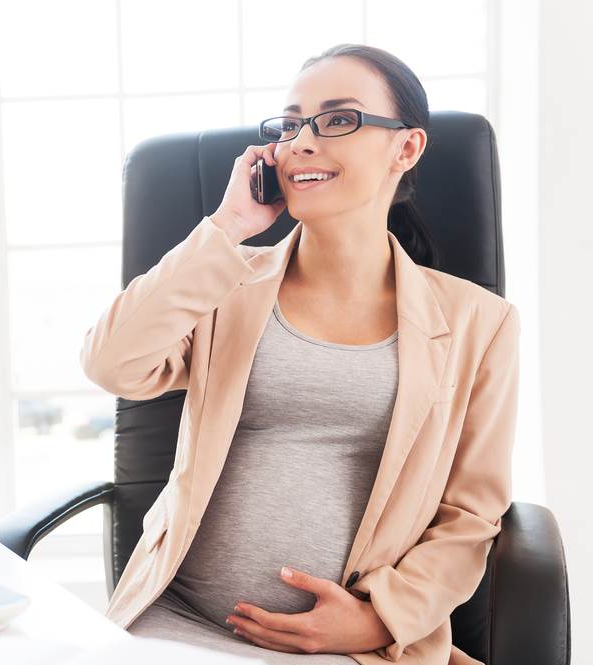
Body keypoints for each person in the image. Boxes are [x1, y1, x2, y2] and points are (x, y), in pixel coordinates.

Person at [121, 43, 434, 662]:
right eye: (292, 125)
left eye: (338, 119)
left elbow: (468, 515)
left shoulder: (481, 324)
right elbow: (115, 364)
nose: (303, 143)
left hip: (353, 646)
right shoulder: (225, 280)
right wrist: (229, 227)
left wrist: (378, 622)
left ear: (406, 148)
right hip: (178, 622)